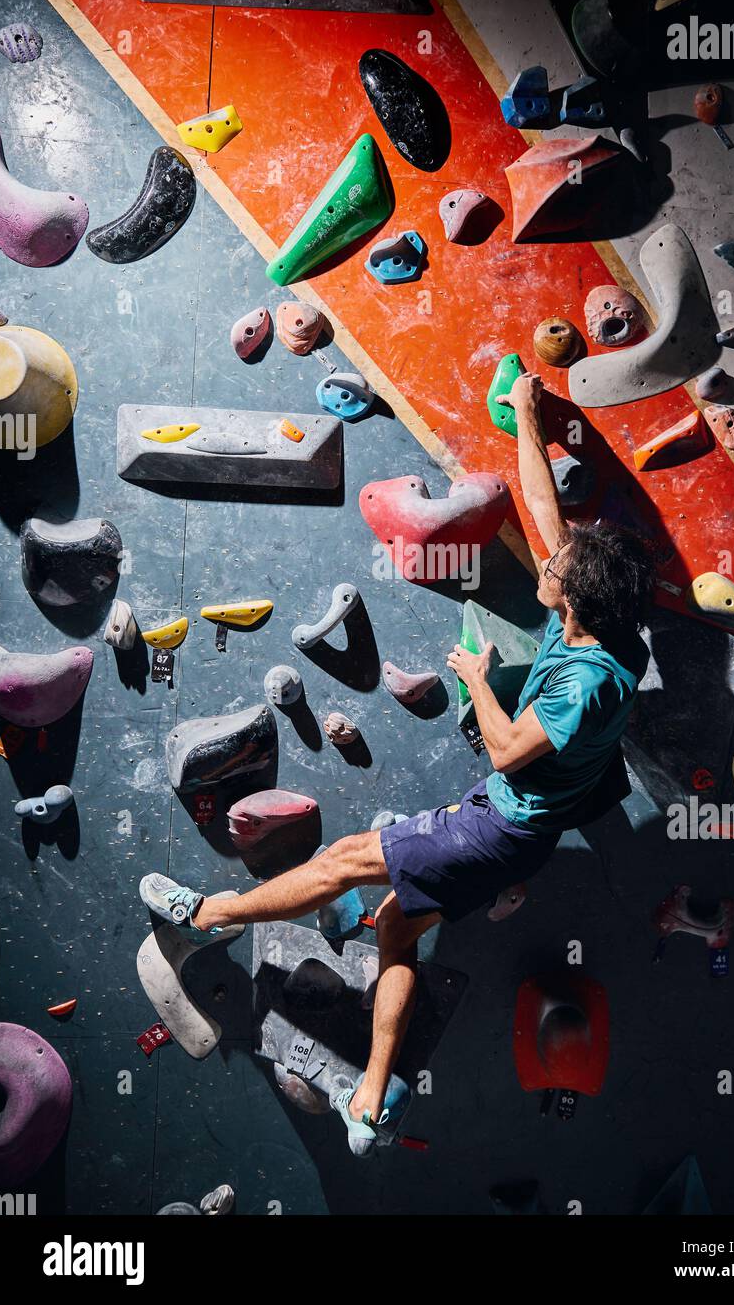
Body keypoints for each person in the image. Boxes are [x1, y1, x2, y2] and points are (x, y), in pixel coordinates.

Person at [139, 372, 653, 1155]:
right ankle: (373, 1098)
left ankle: (205, 918)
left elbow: (512, 751)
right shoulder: (601, 624)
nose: (549, 562)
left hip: (495, 827)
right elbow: (547, 514)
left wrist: (480, 681)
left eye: (556, 571)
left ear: (570, 601)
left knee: (347, 861)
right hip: (524, 835)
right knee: (395, 936)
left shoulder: (584, 683)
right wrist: (526, 418)